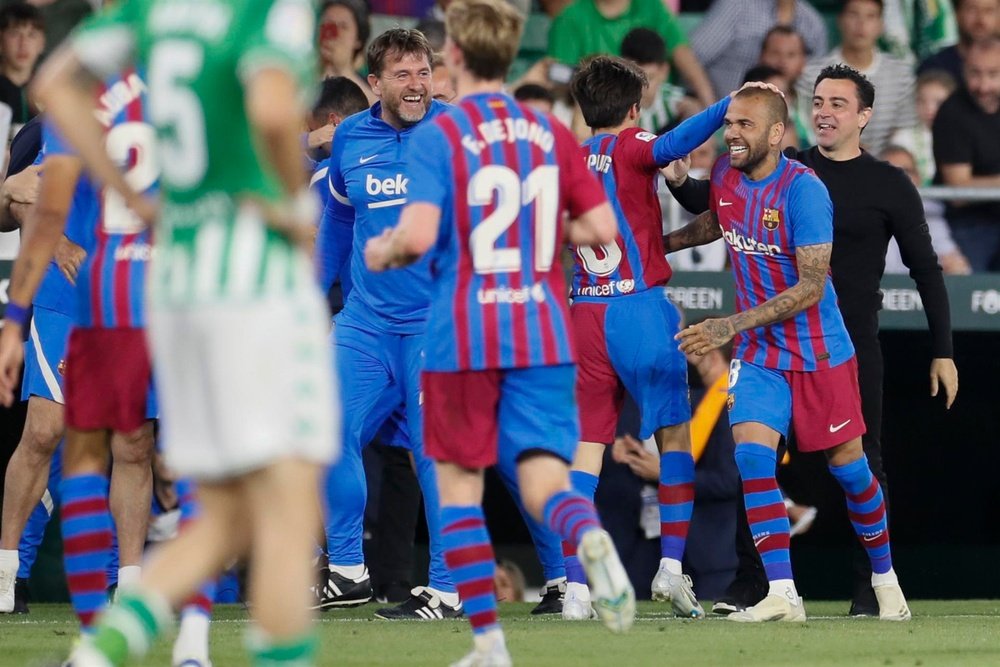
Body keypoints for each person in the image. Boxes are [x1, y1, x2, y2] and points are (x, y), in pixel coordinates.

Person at [32, 0, 339, 664]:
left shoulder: (151, 13)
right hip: (255, 276)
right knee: (287, 500)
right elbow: (267, 105)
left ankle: (101, 648)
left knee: (226, 508)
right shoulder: (268, 9)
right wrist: (292, 203)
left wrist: (130, 193)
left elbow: (53, 85)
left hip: (175, 278)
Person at [365, 0, 635, 662]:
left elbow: (422, 235)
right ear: (512, 55)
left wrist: (386, 250)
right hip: (542, 329)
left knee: (458, 486)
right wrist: (539, 236)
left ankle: (489, 643)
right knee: (545, 472)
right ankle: (589, 534)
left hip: (464, 330)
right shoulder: (548, 131)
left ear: (454, 54)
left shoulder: (441, 133)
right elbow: (603, 232)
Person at [666, 64, 958, 616]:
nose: (731, 134)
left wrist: (942, 348)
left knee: (853, 468)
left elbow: (821, 283)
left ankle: (880, 581)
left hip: (828, 348)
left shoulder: (815, 188)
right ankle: (778, 590)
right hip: (762, 352)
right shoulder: (739, 174)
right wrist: (654, 244)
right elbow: (717, 218)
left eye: (743, 125)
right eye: (818, 101)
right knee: (752, 457)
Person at [563, 55, 750, 621]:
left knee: (584, 453)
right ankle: (671, 569)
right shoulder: (628, 144)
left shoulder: (570, 158)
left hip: (585, 314)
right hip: (638, 309)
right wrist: (729, 103)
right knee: (675, 439)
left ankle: (575, 590)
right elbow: (672, 145)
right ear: (632, 107)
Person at [317, 28, 461, 619]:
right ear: (373, 84)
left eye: (423, 72)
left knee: (438, 456)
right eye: (402, 75)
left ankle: (449, 589)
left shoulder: (457, 133)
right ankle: (348, 570)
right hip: (367, 322)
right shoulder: (350, 136)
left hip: (436, 324)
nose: (416, 85)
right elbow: (336, 223)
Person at [798, 0, 918, 155]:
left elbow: (906, 133)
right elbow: (808, 130)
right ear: (840, 20)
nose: (861, 24)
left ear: (881, 25)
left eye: (870, 16)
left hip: (886, 165)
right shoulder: (812, 74)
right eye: (854, 15)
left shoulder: (901, 75)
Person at [546, 0, 715, 107]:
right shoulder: (570, 17)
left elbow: (681, 52)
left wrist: (709, 103)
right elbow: (559, 76)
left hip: (656, 105)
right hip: (596, 109)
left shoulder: (652, 6)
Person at [932, 36, 1000, 272]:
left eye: (993, 74)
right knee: (971, 295)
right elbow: (959, 190)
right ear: (963, 70)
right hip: (969, 223)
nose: (983, 86)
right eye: (975, 74)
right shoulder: (952, 112)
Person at [692, 0, 827, 101]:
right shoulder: (737, 5)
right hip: (721, 113)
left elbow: (815, 80)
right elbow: (691, 56)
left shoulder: (812, 23)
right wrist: (709, 104)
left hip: (787, 119)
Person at [881, 145, 971, 275]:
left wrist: (953, 267)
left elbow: (956, 265)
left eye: (907, 171)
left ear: (918, 177)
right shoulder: (863, 213)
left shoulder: (930, 211)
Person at [620, 28, 701, 134]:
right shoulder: (615, 107)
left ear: (664, 71)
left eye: (650, 78)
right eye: (634, 78)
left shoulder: (676, 102)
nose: (641, 88)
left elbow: (693, 109)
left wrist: (692, 113)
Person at [890, 69, 957, 185]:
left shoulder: (961, 137)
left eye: (939, 102)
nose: (929, 109)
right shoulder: (903, 138)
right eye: (922, 101)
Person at [919, 0, 999, 81]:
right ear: (957, 13)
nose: (981, 19)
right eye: (972, 10)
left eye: (989, 10)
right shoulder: (935, 68)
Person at [318, 0, 375, 104]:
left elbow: (382, 113)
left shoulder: (372, 83)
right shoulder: (300, 75)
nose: (334, 33)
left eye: (343, 27)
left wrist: (343, 69)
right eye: (327, 24)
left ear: (358, 39)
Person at [0, 2, 45, 132]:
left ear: (42, 42)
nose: (23, 43)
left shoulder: (50, 92)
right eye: (14, 34)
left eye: (31, 34)